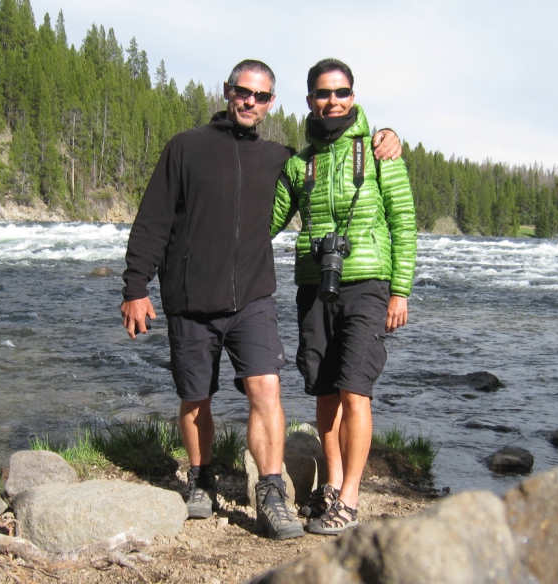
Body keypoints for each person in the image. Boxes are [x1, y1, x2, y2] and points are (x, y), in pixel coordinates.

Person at [121, 59, 401, 540]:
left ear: (271, 104)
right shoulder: (185, 148)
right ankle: (201, 475)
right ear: (227, 91)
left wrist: (386, 133)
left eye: (262, 96)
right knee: (194, 399)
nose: (250, 101)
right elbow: (153, 220)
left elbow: (335, 142)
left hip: (252, 297)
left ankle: (270, 490)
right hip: (189, 297)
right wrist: (135, 287)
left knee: (266, 389)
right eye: (242, 91)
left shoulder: (280, 157)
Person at [271, 58, 416, 535]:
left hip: (368, 283)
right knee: (324, 389)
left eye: (341, 92)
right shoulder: (299, 163)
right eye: (322, 93)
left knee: (356, 390)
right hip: (315, 285)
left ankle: (350, 500)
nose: (332, 101)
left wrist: (400, 291)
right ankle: (330, 485)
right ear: (310, 99)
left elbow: (403, 223)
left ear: (353, 95)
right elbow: (266, 221)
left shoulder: (381, 152)